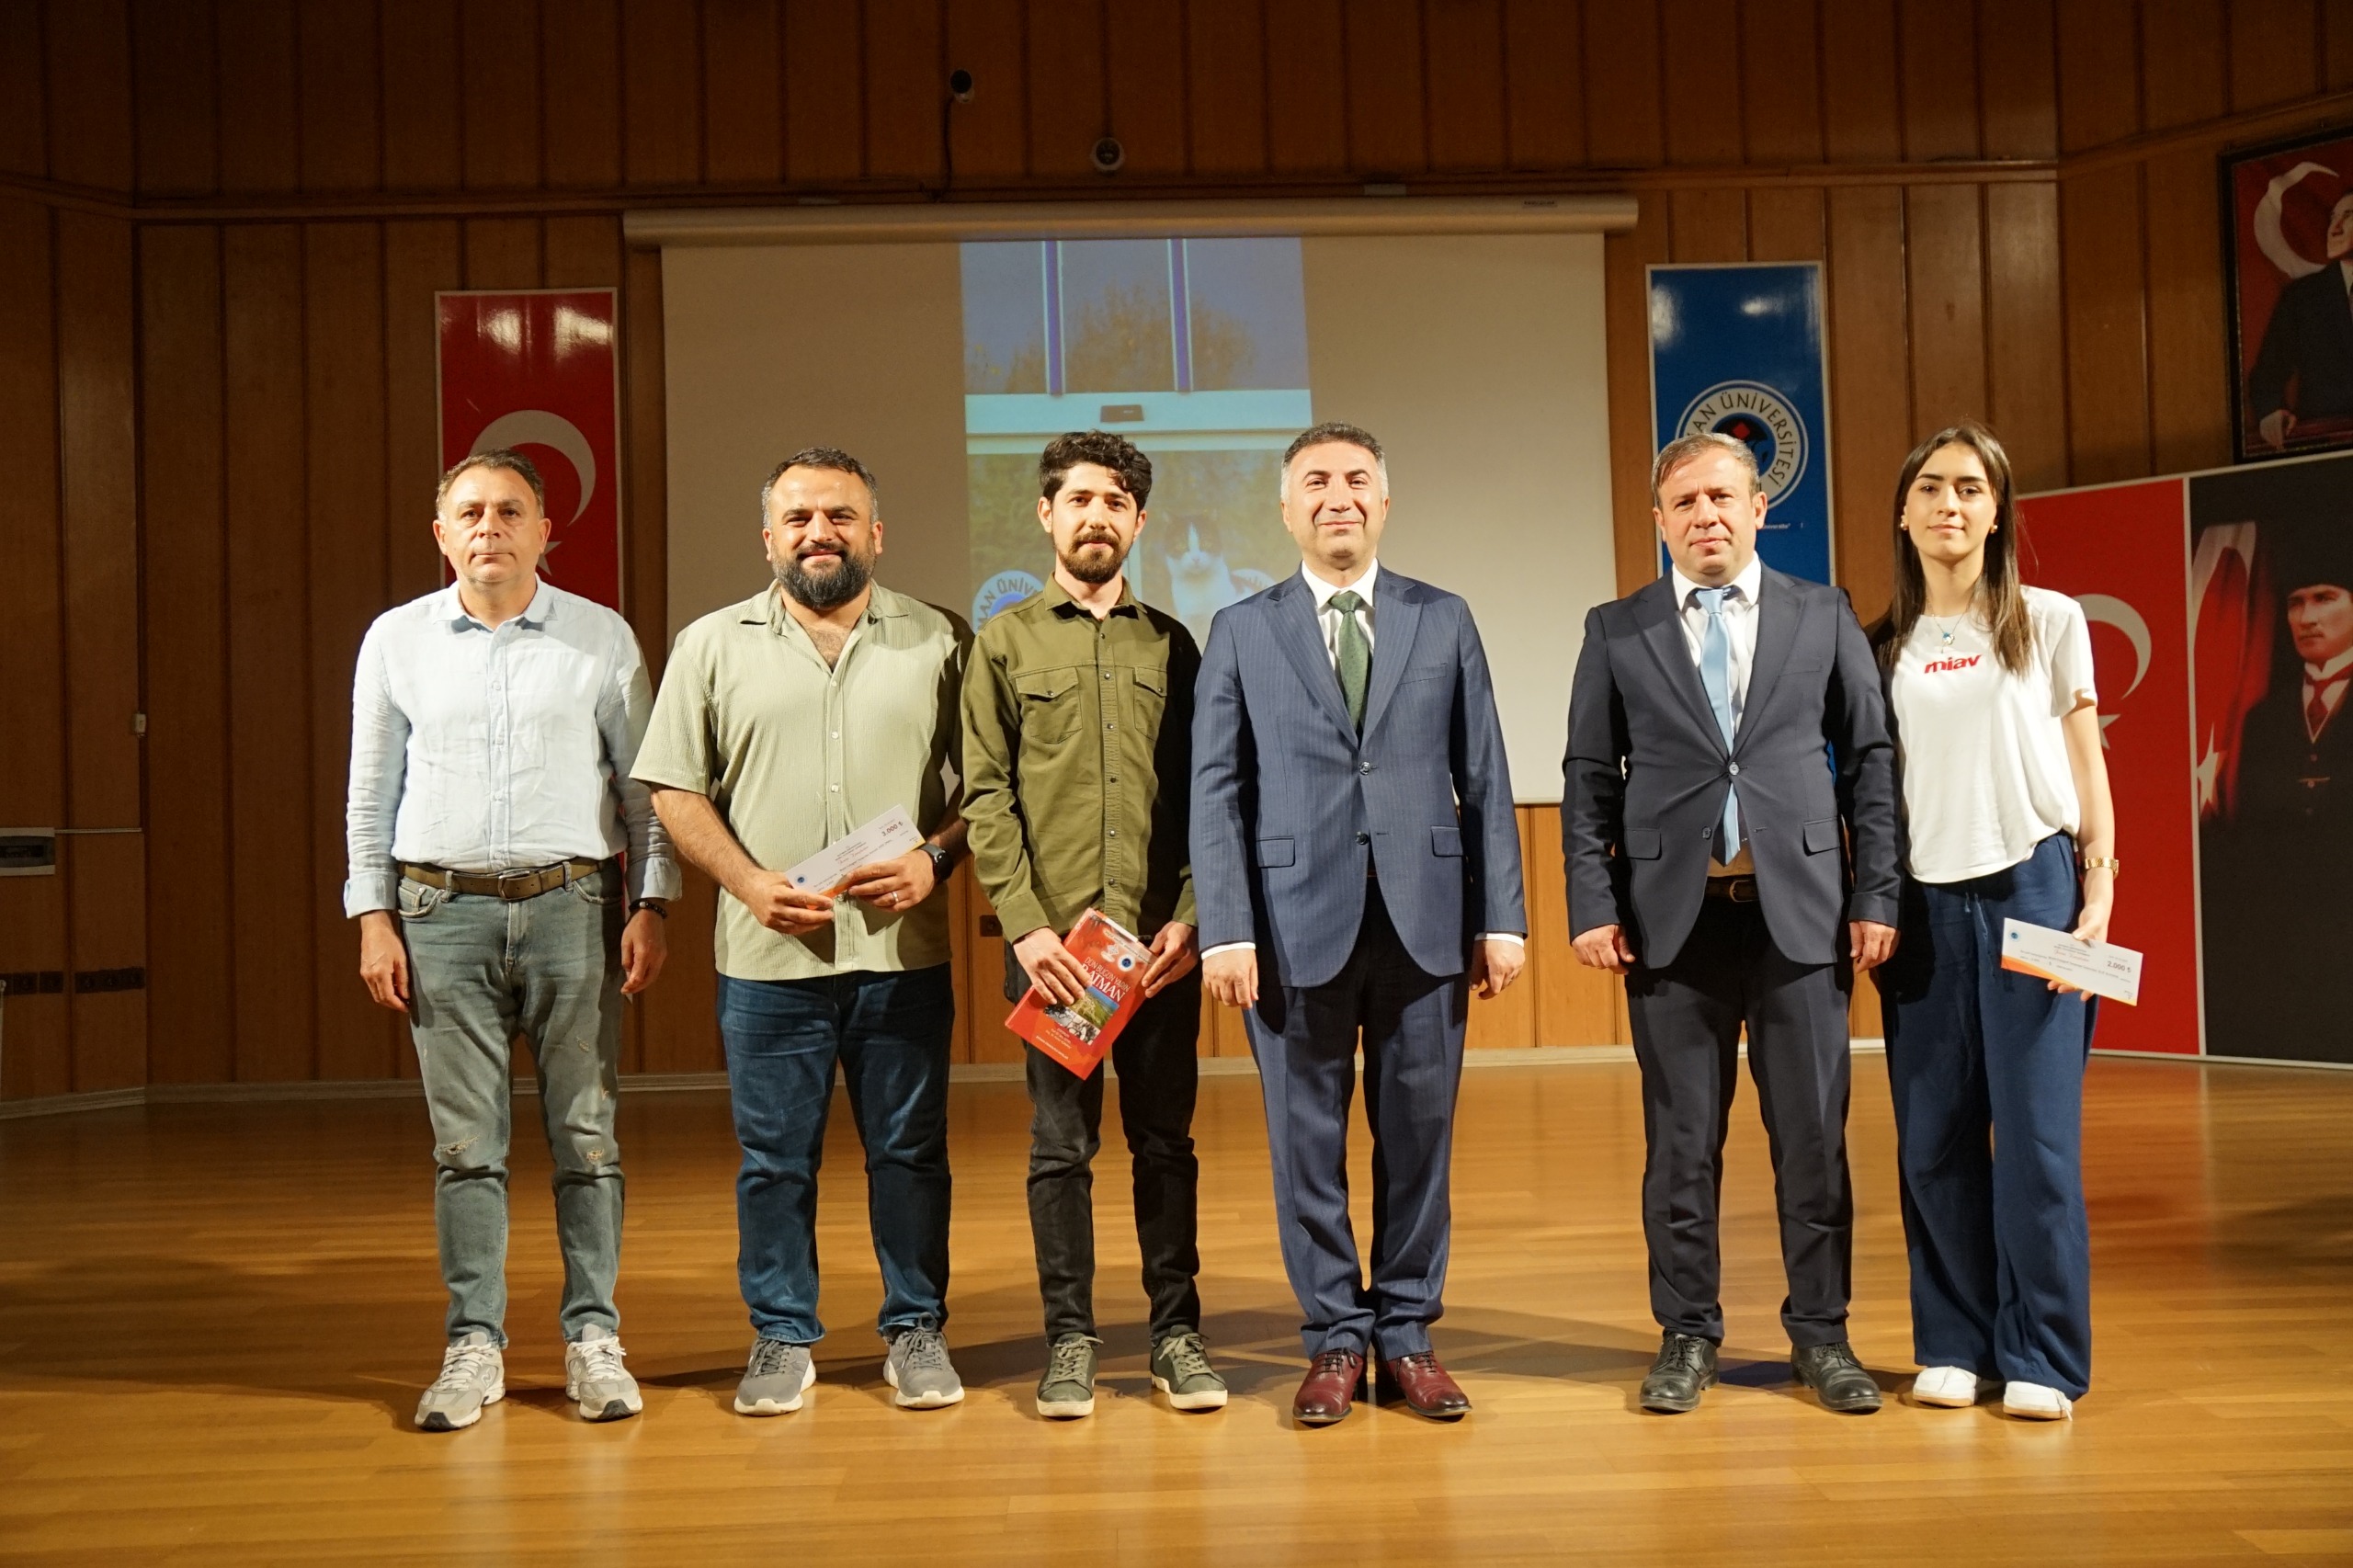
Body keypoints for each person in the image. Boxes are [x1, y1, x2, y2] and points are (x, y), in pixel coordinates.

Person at [1191, 421, 1527, 1427]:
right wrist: (1225, 927)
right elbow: (1216, 789)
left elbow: (1486, 773)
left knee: (1418, 1137)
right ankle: (1336, 1334)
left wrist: (1500, 915)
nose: (1337, 496)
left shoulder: (1444, 616)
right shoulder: (1241, 628)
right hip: (1292, 925)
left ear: (1384, 502)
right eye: (1315, 482)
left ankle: (1409, 1333)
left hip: (1426, 919)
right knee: (1307, 1141)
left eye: (1356, 480)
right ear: (1287, 508)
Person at [1563, 431, 1900, 1417]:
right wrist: (1592, 902)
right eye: (1685, 503)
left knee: (1811, 1139)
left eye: (1722, 497)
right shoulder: (1615, 628)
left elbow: (1870, 756)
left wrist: (1876, 893)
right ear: (1658, 519)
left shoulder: (1821, 612)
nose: (1705, 516)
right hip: (1673, 927)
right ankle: (1687, 1333)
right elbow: (1588, 776)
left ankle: (1822, 1334)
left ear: (1760, 508)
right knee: (1679, 1145)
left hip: (1801, 920)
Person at [632, 447, 972, 1416]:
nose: (819, 531)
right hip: (767, 960)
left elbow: (987, 790)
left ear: (876, 531)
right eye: (799, 517)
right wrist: (742, 880)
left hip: (901, 954)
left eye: (840, 514)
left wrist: (934, 858)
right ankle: (781, 1336)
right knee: (773, 1159)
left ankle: (915, 1326)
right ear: (768, 537)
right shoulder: (710, 644)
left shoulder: (941, 638)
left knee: (909, 1153)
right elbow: (671, 786)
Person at [346, 449, 676, 1432]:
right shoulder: (396, 640)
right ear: (441, 532)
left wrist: (651, 900)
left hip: (573, 907)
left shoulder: (599, 636)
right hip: (437, 914)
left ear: (545, 530)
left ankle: (592, 1337)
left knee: (586, 1136)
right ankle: (473, 1343)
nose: (489, 525)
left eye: (510, 510)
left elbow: (642, 789)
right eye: (469, 511)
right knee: (465, 1147)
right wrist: (373, 915)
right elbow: (372, 792)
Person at [961, 430, 1225, 1420]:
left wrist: (1195, 917)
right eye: (1078, 499)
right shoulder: (1004, 643)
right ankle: (1069, 1338)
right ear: (1046, 513)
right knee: (1058, 1151)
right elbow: (985, 796)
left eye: (1115, 500)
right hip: (1058, 963)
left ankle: (1175, 1334)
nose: (1095, 516)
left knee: (1165, 1144)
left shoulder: (1176, 645)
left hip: (1157, 955)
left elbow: (1210, 794)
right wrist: (1024, 928)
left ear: (1139, 520)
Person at [1868, 421, 2117, 1421]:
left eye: (1970, 488)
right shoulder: (1878, 643)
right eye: (1931, 487)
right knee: (1931, 1135)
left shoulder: (2050, 620)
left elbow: (2087, 762)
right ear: (1904, 509)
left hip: (2037, 890)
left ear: (1996, 509)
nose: (1949, 505)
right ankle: (1953, 1344)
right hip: (1924, 908)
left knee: (2038, 1141)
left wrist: (2098, 887)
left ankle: (2043, 1355)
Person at [2202, 527, 2353, 1063]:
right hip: (2285, 926)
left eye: (2325, 599)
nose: (2306, 617)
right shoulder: (2262, 718)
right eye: (2294, 603)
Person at [2248, 190, 2353, 451]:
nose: (2335, 228)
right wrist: (2272, 413)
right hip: (2324, 448)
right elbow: (2266, 376)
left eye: (2348, 216)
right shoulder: (2303, 298)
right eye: (2333, 218)